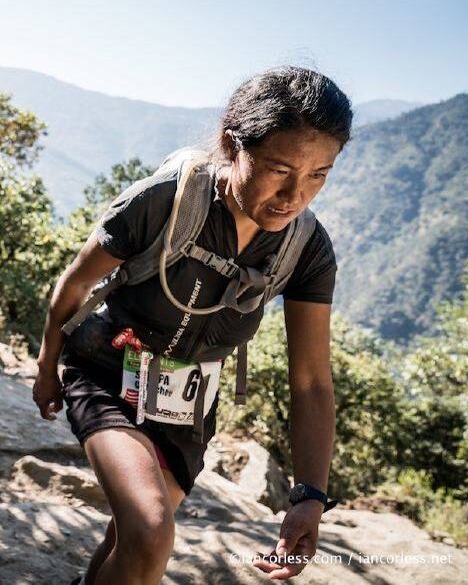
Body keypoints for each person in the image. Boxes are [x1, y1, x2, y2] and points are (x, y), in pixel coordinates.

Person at [32, 66, 353, 584]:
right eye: (279, 169)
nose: (295, 195)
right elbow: (73, 286)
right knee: (152, 529)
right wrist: (48, 366)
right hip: (107, 370)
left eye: (319, 174)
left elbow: (312, 380)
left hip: (187, 405)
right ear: (233, 144)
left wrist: (310, 495)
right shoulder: (164, 201)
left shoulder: (307, 250)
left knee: (131, 538)